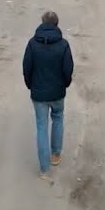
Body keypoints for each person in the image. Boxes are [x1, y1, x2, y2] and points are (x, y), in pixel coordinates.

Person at [22, 10, 74, 180]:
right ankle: (56, 155)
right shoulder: (64, 45)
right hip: (58, 92)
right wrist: (64, 85)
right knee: (58, 118)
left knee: (41, 127)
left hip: (38, 94)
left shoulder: (32, 44)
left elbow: (26, 69)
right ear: (57, 24)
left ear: (42, 23)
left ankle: (44, 170)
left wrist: (31, 86)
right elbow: (68, 70)